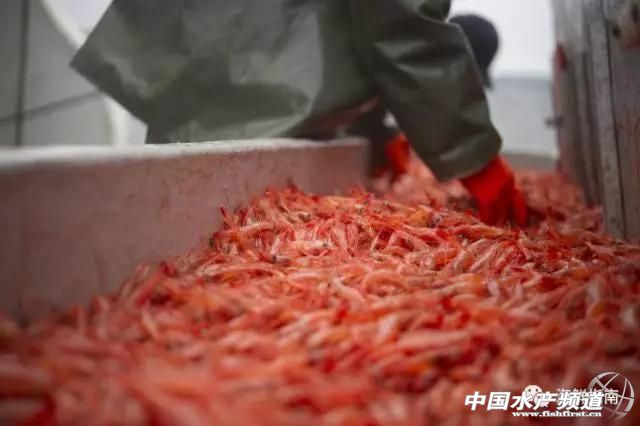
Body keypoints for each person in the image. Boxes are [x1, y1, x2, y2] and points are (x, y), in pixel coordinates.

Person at [72, 0, 527, 226]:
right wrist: (475, 157)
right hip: (247, 68)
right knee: (196, 221)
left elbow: (350, 26)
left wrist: (377, 130)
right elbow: (398, 21)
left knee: (172, 219)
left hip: (206, 56)